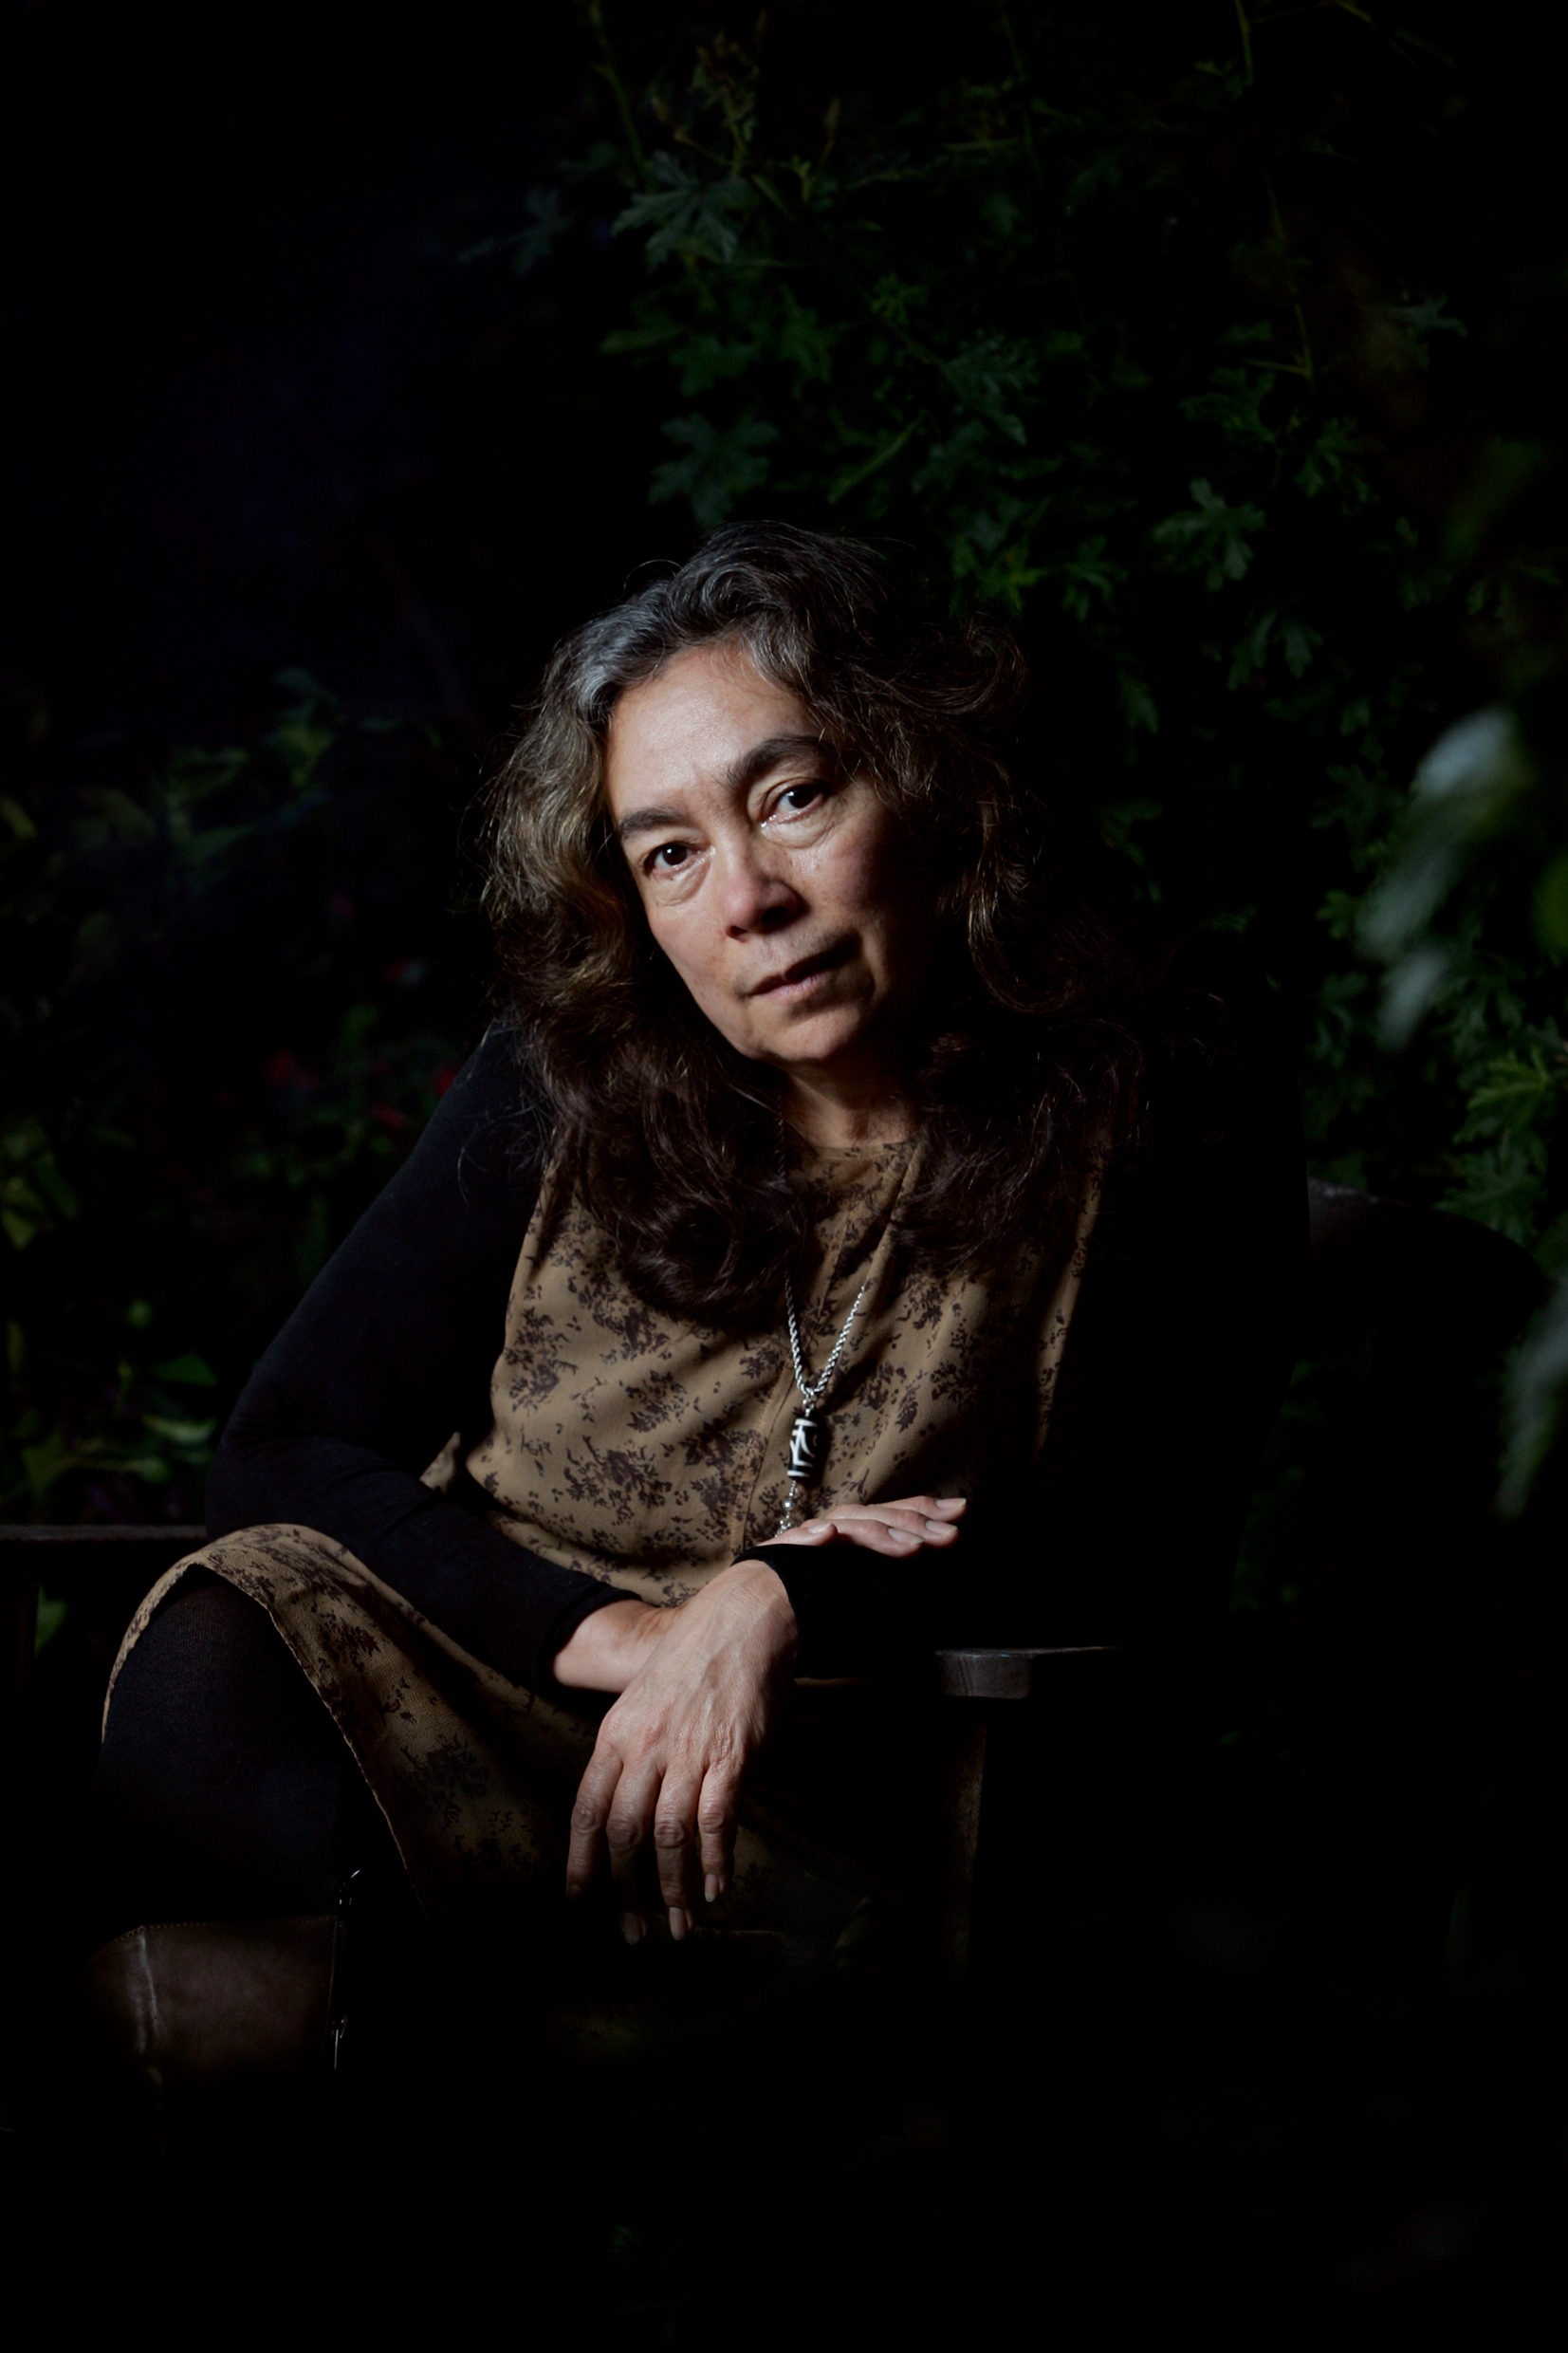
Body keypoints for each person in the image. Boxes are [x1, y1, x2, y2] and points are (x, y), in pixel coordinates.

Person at [87, 524, 1301, 2029]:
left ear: (930, 783)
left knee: (231, 2004)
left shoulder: (1159, 1092)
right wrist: (630, 1637)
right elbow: (284, 1447)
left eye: (793, 797)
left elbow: (1130, 1546)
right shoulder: (562, 1086)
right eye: (671, 854)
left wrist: (777, 1600)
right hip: (498, 1703)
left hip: (863, 1798)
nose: (748, 898)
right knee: (229, 1646)